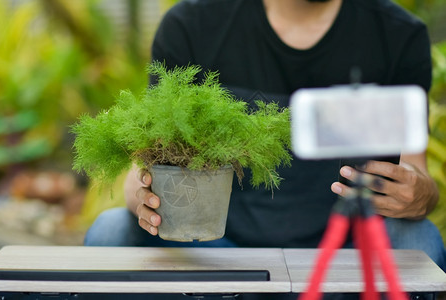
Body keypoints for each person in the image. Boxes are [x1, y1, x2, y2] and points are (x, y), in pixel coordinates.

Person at [85, 0, 445, 288]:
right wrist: (142, 194)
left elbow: (415, 169)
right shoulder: (192, 24)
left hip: (345, 249)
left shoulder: (398, 35)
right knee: (111, 231)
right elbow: (149, 156)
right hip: (215, 247)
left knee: (419, 240)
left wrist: (417, 192)